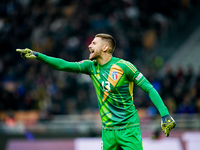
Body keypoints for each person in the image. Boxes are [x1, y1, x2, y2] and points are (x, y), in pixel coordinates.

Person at [16, 33, 176, 150]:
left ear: (105, 47)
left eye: (94, 43)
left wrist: (165, 115)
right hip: (108, 132)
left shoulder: (124, 66)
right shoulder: (90, 67)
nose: (89, 45)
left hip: (129, 129)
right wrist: (38, 55)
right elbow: (63, 65)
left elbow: (149, 88)